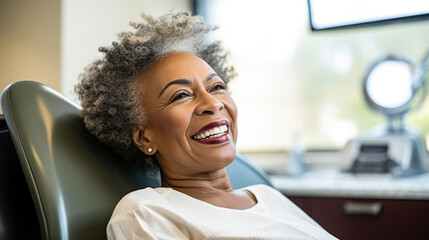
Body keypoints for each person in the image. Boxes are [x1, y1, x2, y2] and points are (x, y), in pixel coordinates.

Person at [75, 11, 337, 240]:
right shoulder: (145, 213)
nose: (212, 103)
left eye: (217, 87)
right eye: (181, 95)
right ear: (144, 138)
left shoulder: (270, 197)